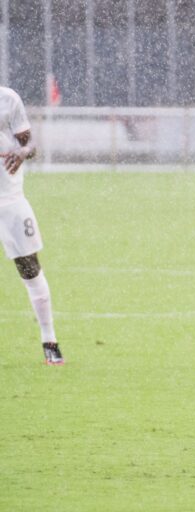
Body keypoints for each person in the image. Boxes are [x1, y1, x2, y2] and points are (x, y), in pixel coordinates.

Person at [0, 86, 63, 365]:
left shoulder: (8, 99)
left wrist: (23, 152)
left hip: (10, 200)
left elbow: (30, 144)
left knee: (29, 267)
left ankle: (49, 340)